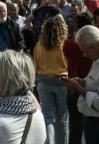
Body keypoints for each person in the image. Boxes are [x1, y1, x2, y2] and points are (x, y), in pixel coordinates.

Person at [34, 15, 69, 144]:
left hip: (43, 81)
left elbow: (36, 66)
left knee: (47, 118)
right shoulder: (65, 45)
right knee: (62, 119)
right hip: (62, 82)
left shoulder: (39, 45)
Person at [63, 13, 94, 144]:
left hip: (73, 88)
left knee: (75, 128)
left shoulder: (68, 44)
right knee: (91, 129)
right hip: (91, 89)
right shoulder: (95, 44)